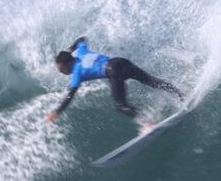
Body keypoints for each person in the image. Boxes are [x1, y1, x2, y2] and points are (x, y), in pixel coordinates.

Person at [45, 37, 184, 133]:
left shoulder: (77, 73)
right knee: (151, 81)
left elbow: (70, 96)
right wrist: (69, 51)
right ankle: (180, 94)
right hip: (120, 62)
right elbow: (82, 39)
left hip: (113, 71)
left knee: (121, 106)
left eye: (61, 69)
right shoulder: (81, 52)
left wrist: (56, 111)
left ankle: (147, 123)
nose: (61, 72)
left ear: (68, 63)